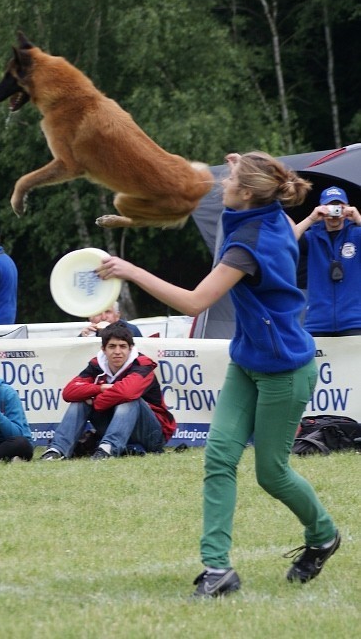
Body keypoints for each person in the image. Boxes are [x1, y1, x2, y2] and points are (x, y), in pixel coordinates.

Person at [96, 151, 340, 597]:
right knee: (219, 459)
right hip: (248, 361)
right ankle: (217, 571)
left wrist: (130, 270)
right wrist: (245, 164)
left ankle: (323, 534)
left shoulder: (252, 243)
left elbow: (194, 303)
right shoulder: (272, 216)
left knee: (272, 473)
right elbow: (276, 221)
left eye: (229, 179)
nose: (220, 183)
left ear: (247, 193)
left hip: (285, 370)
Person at [41, 322, 175, 461]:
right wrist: (99, 388)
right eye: (112, 346)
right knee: (79, 401)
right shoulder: (96, 364)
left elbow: (126, 393)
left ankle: (107, 450)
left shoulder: (142, 365)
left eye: (122, 346)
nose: (117, 351)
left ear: (131, 348)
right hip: (117, 427)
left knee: (129, 400)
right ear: (103, 349)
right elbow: (69, 392)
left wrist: (94, 401)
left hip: (152, 435)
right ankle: (57, 450)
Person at [293, 185, 361, 336]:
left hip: (354, 321)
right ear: (322, 209)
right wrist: (311, 219)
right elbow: (283, 242)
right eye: (329, 207)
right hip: (317, 323)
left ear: (347, 208)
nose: (334, 213)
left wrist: (358, 218)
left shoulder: (357, 235)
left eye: (339, 207)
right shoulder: (311, 238)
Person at [78, 302, 143, 338]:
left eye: (108, 312)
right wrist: (82, 339)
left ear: (117, 316)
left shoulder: (131, 330)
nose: (103, 318)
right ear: (90, 318)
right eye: (98, 313)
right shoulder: (89, 333)